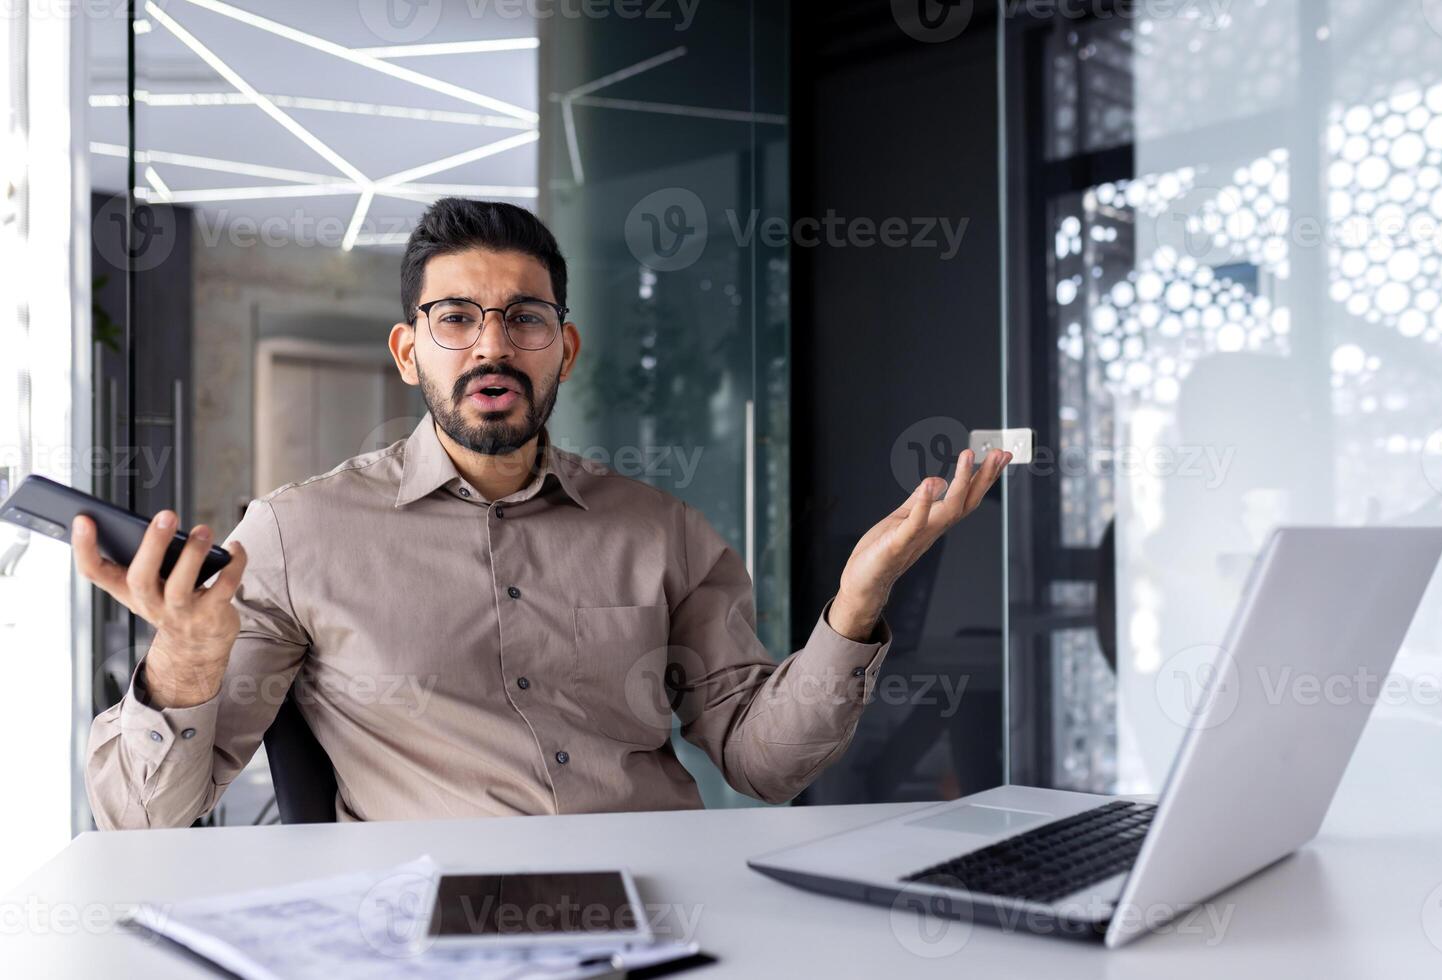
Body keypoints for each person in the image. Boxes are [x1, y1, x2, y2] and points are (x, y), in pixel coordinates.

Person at [77, 198, 1010, 828]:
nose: (493, 344)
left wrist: (856, 601)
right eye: (457, 319)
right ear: (409, 351)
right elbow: (139, 818)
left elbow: (765, 764)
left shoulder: (660, 530)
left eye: (524, 319)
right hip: (430, 933)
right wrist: (187, 664)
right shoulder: (294, 534)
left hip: (668, 908)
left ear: (563, 349)